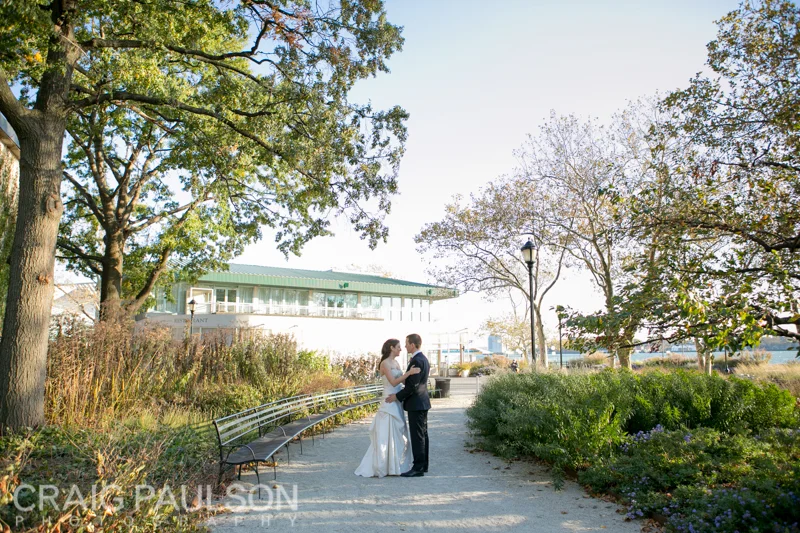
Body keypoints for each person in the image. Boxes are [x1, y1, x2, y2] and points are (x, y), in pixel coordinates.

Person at [354, 338, 420, 477]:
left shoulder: (396, 362)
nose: (401, 349)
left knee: (397, 433)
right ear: (391, 348)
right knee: (385, 434)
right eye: (398, 347)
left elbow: (401, 382)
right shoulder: (384, 363)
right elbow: (394, 381)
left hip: (397, 401)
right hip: (389, 401)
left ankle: (394, 466)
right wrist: (409, 373)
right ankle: (383, 466)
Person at [385, 333, 430, 477]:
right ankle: (423, 465)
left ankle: (418, 468)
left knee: (418, 436)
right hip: (422, 402)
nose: (404, 346)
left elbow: (413, 386)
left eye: (406, 343)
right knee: (423, 435)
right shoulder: (422, 358)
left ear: (413, 344)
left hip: (416, 403)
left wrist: (397, 397)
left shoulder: (417, 360)